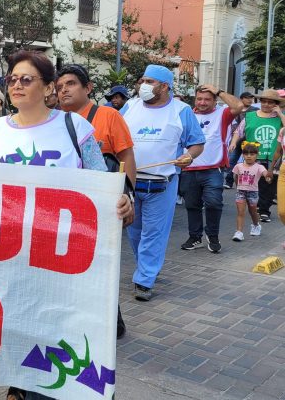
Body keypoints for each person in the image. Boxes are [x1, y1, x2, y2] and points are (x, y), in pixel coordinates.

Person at [0, 50, 133, 400]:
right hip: (8, 256)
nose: (16, 85)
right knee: (16, 328)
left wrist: (125, 202)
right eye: (12, 79)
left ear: (49, 87)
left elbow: (103, 184)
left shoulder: (74, 127)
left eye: (27, 79)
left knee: (58, 334)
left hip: (62, 260)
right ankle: (20, 386)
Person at [56, 63, 137, 339]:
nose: (63, 90)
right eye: (59, 86)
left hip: (101, 206)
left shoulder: (108, 116)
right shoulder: (55, 120)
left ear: (88, 88)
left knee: (99, 263)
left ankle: (112, 322)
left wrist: (129, 196)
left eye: (70, 84)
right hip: (67, 211)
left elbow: (126, 158)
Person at [121, 65, 205, 302]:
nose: (143, 85)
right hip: (131, 184)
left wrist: (189, 156)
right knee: (134, 232)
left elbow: (197, 143)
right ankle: (146, 269)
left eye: (150, 81)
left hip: (163, 184)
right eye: (143, 80)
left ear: (165, 86)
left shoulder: (181, 110)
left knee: (154, 234)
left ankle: (144, 280)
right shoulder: (130, 106)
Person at [178, 85, 243, 253]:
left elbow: (238, 106)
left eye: (207, 99)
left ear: (215, 101)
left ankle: (212, 235)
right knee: (192, 205)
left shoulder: (222, 114)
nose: (202, 102)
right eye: (199, 99)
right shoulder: (187, 114)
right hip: (189, 169)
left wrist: (219, 91)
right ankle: (195, 237)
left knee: (214, 203)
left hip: (213, 169)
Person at [229, 89, 285, 222]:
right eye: (264, 101)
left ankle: (264, 210)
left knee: (269, 184)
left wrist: (280, 114)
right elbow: (239, 131)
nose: (266, 105)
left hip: (273, 157)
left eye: (270, 103)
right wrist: (233, 142)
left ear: (276, 104)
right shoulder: (250, 116)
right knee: (254, 184)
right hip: (253, 156)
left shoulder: (280, 118)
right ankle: (254, 207)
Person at [232, 142, 272, 241]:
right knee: (240, 212)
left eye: (252, 154)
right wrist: (238, 187)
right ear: (243, 155)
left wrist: (268, 177)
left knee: (252, 211)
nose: (249, 156)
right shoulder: (238, 166)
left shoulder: (259, 167)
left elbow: (265, 174)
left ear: (256, 155)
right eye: (246, 154)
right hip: (241, 192)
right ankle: (239, 232)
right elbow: (236, 177)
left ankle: (256, 225)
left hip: (253, 193)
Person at [224, 92, 259, 188]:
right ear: (241, 99)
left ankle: (249, 183)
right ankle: (228, 181)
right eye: (247, 98)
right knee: (231, 160)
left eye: (251, 98)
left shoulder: (255, 110)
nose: (250, 100)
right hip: (236, 139)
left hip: (250, 141)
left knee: (250, 162)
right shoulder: (235, 110)